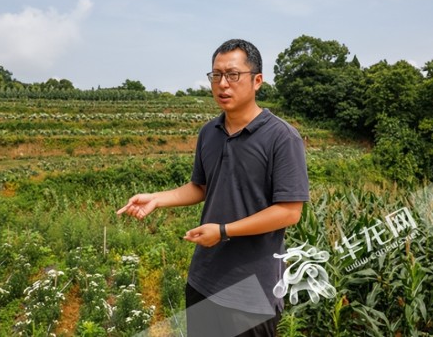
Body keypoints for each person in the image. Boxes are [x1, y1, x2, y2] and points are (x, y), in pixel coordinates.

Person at [116, 39, 309, 336]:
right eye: (216, 75)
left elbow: (288, 212)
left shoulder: (282, 137)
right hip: (204, 281)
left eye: (233, 75)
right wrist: (157, 198)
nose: (223, 84)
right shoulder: (209, 132)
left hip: (252, 290)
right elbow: (200, 187)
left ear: (257, 81)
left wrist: (222, 231)